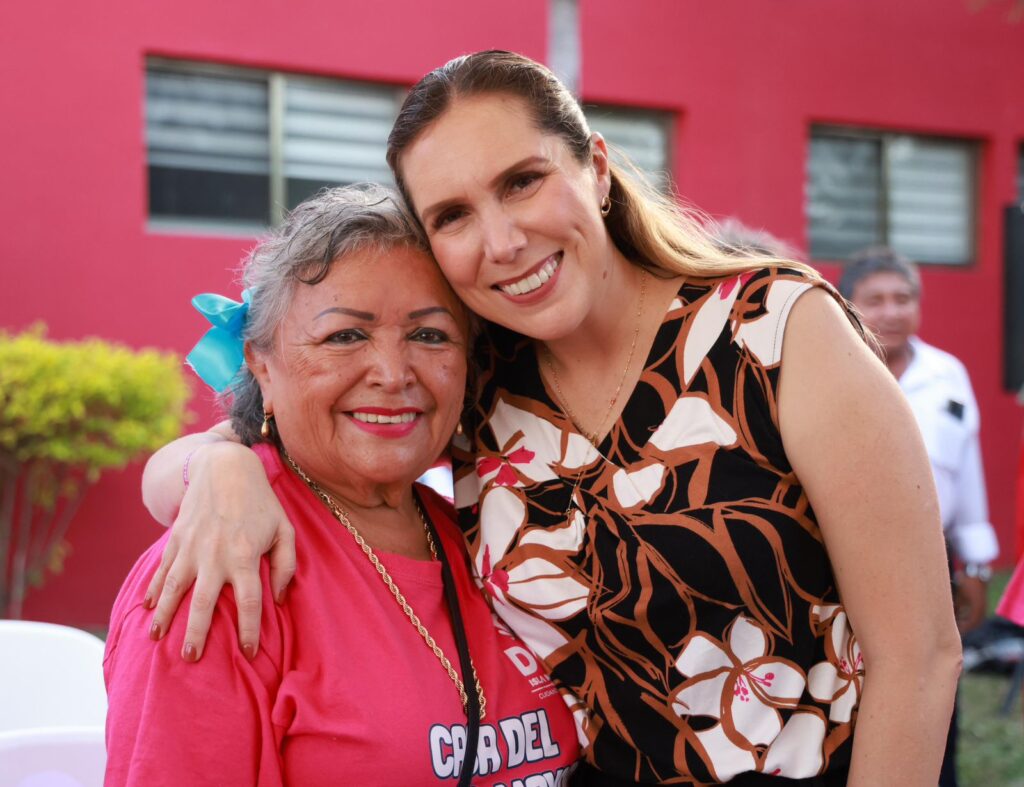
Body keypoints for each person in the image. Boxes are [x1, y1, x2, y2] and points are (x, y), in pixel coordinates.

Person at [140, 51, 961, 785]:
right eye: (453, 215)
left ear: (597, 171)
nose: (501, 239)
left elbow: (919, 657)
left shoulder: (776, 328)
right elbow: (294, 431)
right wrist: (223, 463)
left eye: (522, 181)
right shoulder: (483, 384)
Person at [103, 185, 580, 786]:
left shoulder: (498, 530)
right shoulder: (219, 569)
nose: (392, 373)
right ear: (261, 364)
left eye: (430, 335)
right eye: (345, 336)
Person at [839, 246, 999, 787]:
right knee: (860, 692)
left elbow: (967, 469)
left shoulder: (946, 374)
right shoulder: (831, 371)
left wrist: (975, 563)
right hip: (843, 562)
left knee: (934, 683)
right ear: (847, 304)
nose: (891, 311)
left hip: (933, 558)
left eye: (903, 298)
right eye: (876, 299)